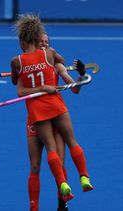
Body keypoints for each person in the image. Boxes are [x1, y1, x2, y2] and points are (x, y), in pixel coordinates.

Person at [10, 14, 94, 210]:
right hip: (36, 116)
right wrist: (45, 84)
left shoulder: (48, 60)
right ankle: (35, 206)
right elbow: (20, 85)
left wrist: (77, 74)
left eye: (47, 42)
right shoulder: (41, 58)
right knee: (36, 165)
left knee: (58, 158)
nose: (44, 44)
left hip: (46, 113)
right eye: (42, 41)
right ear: (36, 39)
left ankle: (62, 203)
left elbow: (73, 87)